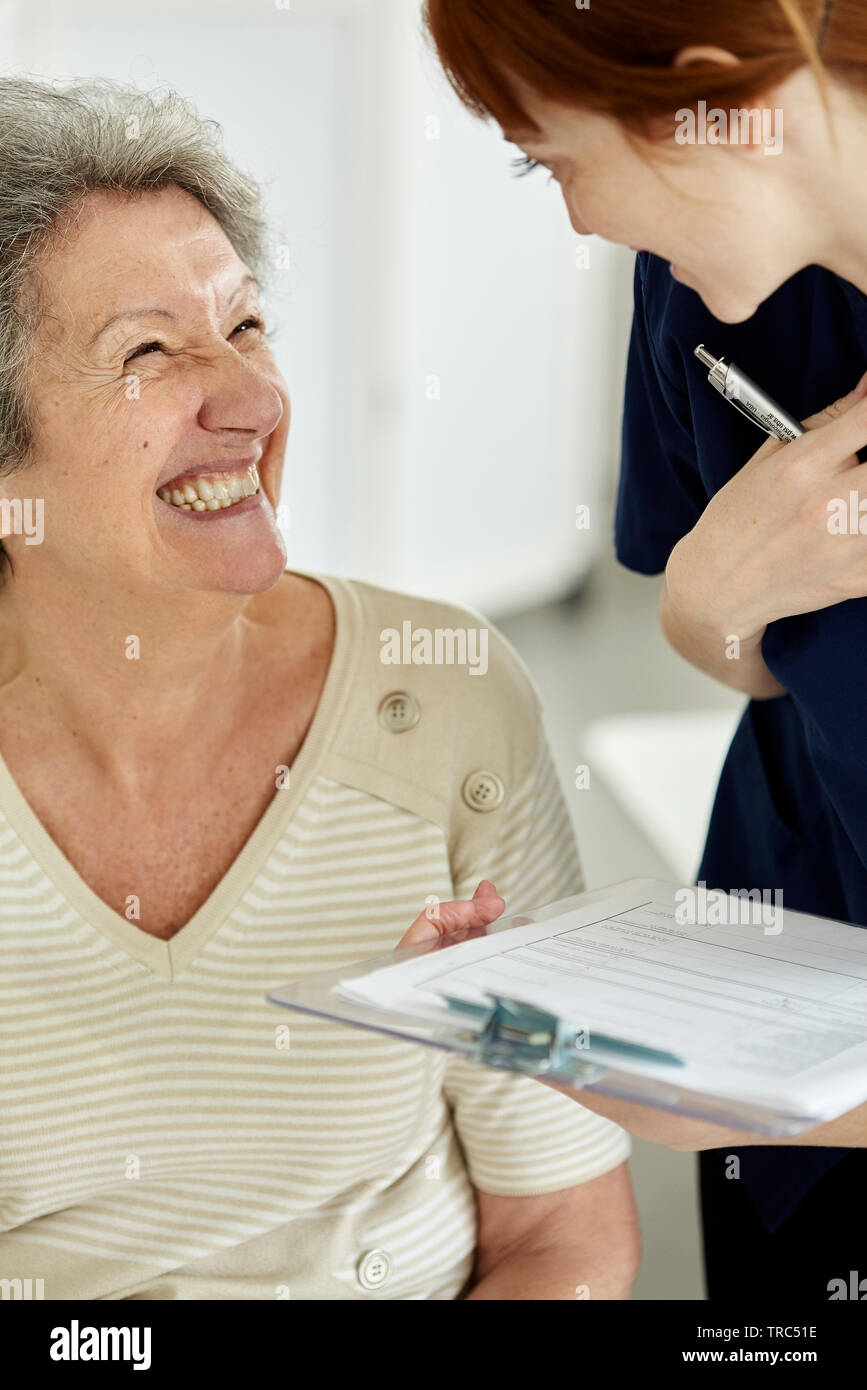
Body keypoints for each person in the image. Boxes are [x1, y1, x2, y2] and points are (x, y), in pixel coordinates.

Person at [0, 77, 639, 1301]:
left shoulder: (445, 704)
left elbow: (565, 1238)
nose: (252, 402)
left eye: (243, 328)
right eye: (146, 351)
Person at [414, 0, 867, 1297]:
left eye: (549, 159)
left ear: (712, 97)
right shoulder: (696, 294)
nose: (576, 219)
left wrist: (750, 1085)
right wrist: (715, 594)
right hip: (793, 920)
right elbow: (768, 659)